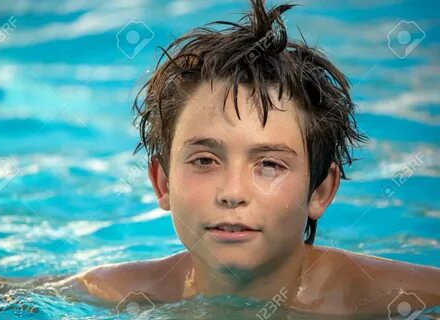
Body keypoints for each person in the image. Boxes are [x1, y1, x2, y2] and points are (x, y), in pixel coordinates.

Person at [63, 0, 440, 316]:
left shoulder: (396, 299)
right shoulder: (110, 294)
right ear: (162, 183)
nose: (232, 192)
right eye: (205, 161)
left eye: (269, 165)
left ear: (321, 191)